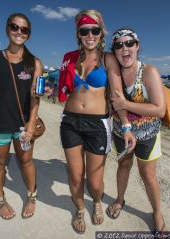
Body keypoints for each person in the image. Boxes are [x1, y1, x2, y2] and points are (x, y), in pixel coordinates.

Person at [57, 10, 136, 234]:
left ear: (101, 33)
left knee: (94, 182)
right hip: (70, 121)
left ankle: (97, 201)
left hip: (97, 125)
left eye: (95, 30)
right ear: (78, 34)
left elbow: (117, 94)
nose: (90, 34)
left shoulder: (108, 58)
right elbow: (64, 90)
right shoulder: (69, 57)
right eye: (84, 30)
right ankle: (80, 209)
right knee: (74, 175)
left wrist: (126, 126)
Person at [0, 13, 42, 220]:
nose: (19, 32)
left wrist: (32, 125)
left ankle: (32, 196)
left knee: (26, 162)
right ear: (8, 29)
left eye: (24, 29)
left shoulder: (35, 63)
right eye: (15, 27)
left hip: (23, 125)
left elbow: (35, 97)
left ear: (29, 34)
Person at [107, 28, 168, 234]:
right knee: (123, 166)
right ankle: (119, 199)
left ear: (137, 46)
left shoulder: (149, 71)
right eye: (118, 45)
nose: (124, 48)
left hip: (149, 135)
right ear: (114, 51)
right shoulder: (114, 73)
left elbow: (159, 110)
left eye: (129, 43)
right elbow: (115, 104)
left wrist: (126, 103)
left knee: (148, 175)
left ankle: (157, 212)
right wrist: (125, 123)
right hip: (121, 132)